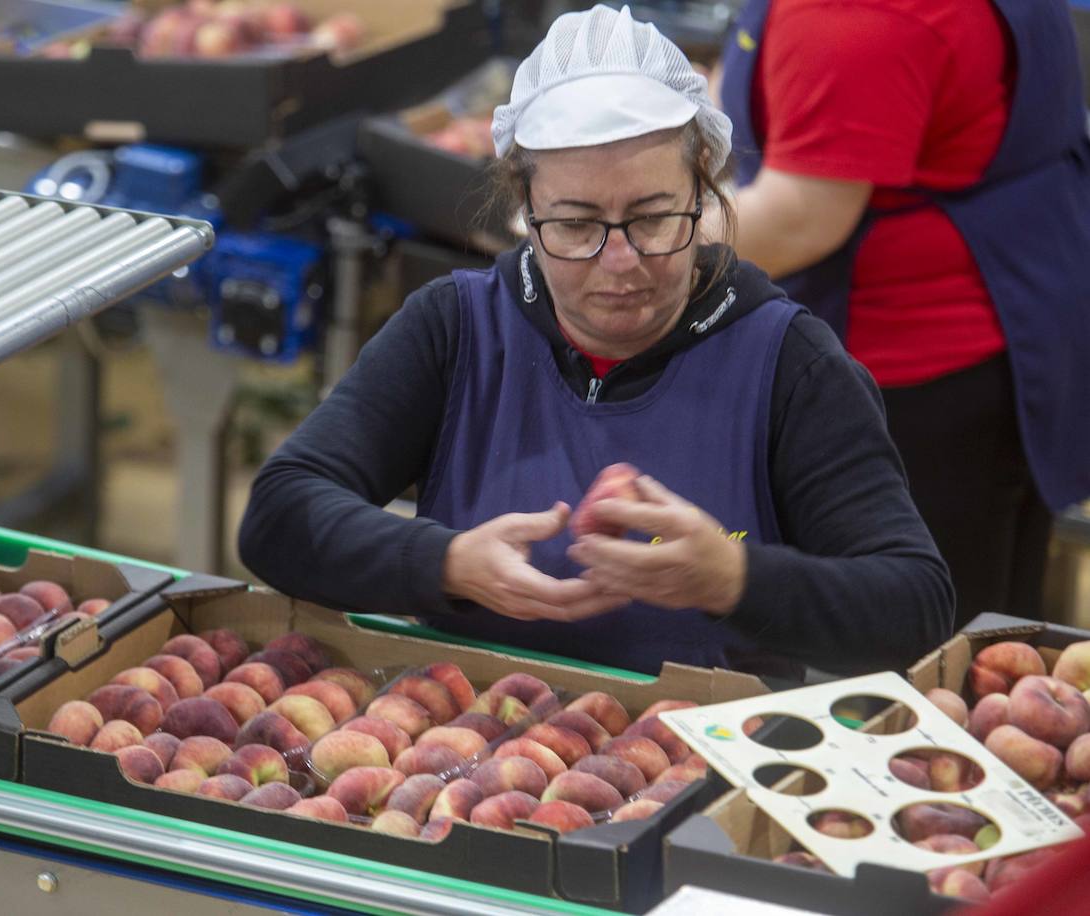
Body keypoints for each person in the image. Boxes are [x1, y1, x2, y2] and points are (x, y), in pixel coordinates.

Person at [238, 5, 953, 679]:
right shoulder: (457, 330)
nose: (621, 262)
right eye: (576, 225)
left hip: (702, 776)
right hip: (465, 759)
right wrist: (447, 562)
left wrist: (735, 579)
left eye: (653, 217)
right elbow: (280, 515)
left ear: (702, 194)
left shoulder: (786, 363)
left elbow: (913, 604)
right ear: (525, 211)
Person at [718, 0, 1090, 628]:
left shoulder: (854, 14)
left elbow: (801, 217)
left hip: (917, 388)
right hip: (1025, 327)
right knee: (993, 643)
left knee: (916, 649)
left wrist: (619, 234)